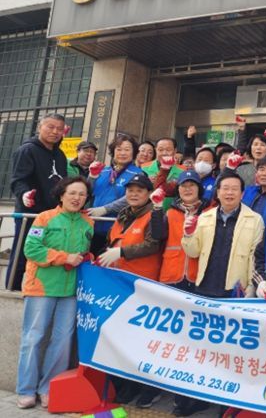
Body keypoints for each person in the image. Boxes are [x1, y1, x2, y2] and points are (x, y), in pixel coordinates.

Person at [15, 177, 93, 409]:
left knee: (62, 341)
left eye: (82, 194)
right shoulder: (44, 218)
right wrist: (64, 257)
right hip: (42, 286)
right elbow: (31, 249)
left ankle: (49, 388)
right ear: (61, 195)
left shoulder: (88, 223)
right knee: (33, 338)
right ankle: (26, 390)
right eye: (72, 193)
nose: (77, 198)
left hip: (70, 290)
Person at [97, 173, 165, 408]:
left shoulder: (155, 214)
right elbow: (112, 240)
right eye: (130, 190)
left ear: (149, 194)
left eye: (140, 190)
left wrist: (122, 252)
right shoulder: (123, 215)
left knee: (141, 341)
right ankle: (123, 384)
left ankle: (141, 387)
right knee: (121, 338)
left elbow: (153, 244)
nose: (134, 194)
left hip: (142, 286)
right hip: (119, 285)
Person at [152, 170, 209, 417]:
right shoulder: (171, 212)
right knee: (173, 339)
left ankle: (190, 398)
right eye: (184, 185)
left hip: (197, 280)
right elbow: (157, 236)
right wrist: (156, 209)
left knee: (194, 340)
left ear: (199, 189)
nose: (187, 189)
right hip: (172, 277)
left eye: (192, 185)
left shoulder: (209, 212)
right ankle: (176, 396)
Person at [8, 113, 69, 291]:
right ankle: (12, 290)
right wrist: (24, 194)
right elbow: (18, 180)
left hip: (53, 216)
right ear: (39, 127)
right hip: (30, 214)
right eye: (50, 127)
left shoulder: (60, 155)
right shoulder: (27, 150)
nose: (55, 132)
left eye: (59, 129)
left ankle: (38, 291)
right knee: (22, 253)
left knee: (47, 255)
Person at [182, 172, 264, 298]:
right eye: (225, 188)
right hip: (204, 286)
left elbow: (255, 256)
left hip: (236, 289)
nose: (229, 193)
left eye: (234, 189)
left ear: (242, 194)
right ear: (218, 193)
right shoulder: (204, 217)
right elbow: (193, 252)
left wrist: (251, 286)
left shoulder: (255, 220)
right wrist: (188, 234)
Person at [86, 134, 141, 254]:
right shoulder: (103, 170)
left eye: (127, 149)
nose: (122, 153)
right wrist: (91, 177)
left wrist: (105, 209)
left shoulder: (138, 174)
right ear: (113, 151)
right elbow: (87, 193)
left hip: (118, 229)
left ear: (134, 152)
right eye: (119, 149)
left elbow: (132, 198)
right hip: (93, 227)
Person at [140, 137, 186, 211]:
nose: (164, 153)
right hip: (147, 210)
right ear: (156, 150)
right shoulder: (143, 167)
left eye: (168, 150)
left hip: (172, 211)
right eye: (160, 150)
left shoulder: (183, 170)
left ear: (175, 151)